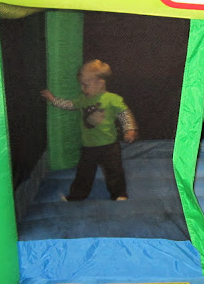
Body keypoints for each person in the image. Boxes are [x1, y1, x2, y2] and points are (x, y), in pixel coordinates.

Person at [41, 60, 138, 201]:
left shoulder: (111, 99)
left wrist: (129, 129)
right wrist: (53, 100)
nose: (82, 89)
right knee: (83, 174)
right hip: (89, 147)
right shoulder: (83, 100)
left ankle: (119, 194)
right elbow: (70, 105)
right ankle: (77, 195)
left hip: (109, 146)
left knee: (115, 172)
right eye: (81, 85)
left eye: (85, 85)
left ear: (100, 83)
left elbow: (124, 114)